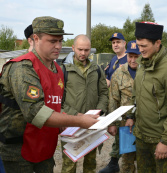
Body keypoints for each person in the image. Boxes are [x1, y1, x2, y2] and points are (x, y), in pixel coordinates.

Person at [0, 16, 99, 173]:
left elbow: (54, 105)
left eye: (60, 41)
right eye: (52, 41)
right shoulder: (23, 68)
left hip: (45, 148)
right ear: (36, 38)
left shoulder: (57, 69)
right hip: (20, 151)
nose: (58, 46)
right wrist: (79, 121)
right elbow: (36, 112)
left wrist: (78, 118)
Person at [128, 21, 167, 173]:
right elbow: (137, 96)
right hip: (141, 137)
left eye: (144, 46)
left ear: (157, 43)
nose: (140, 50)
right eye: (138, 45)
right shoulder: (143, 65)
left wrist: (166, 141)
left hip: (160, 139)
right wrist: (131, 116)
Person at [60, 34, 108, 173]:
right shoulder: (63, 70)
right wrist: (77, 115)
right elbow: (59, 100)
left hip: (93, 124)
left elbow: (104, 92)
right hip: (71, 124)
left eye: (86, 50)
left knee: (90, 163)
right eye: (80, 49)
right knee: (69, 164)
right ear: (73, 48)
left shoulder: (97, 69)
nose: (83, 53)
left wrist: (99, 111)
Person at [99, 40, 140, 173]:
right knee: (127, 160)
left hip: (145, 123)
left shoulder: (148, 72)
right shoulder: (119, 73)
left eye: (136, 56)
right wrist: (112, 123)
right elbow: (113, 100)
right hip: (125, 125)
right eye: (130, 56)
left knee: (145, 159)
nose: (133, 60)